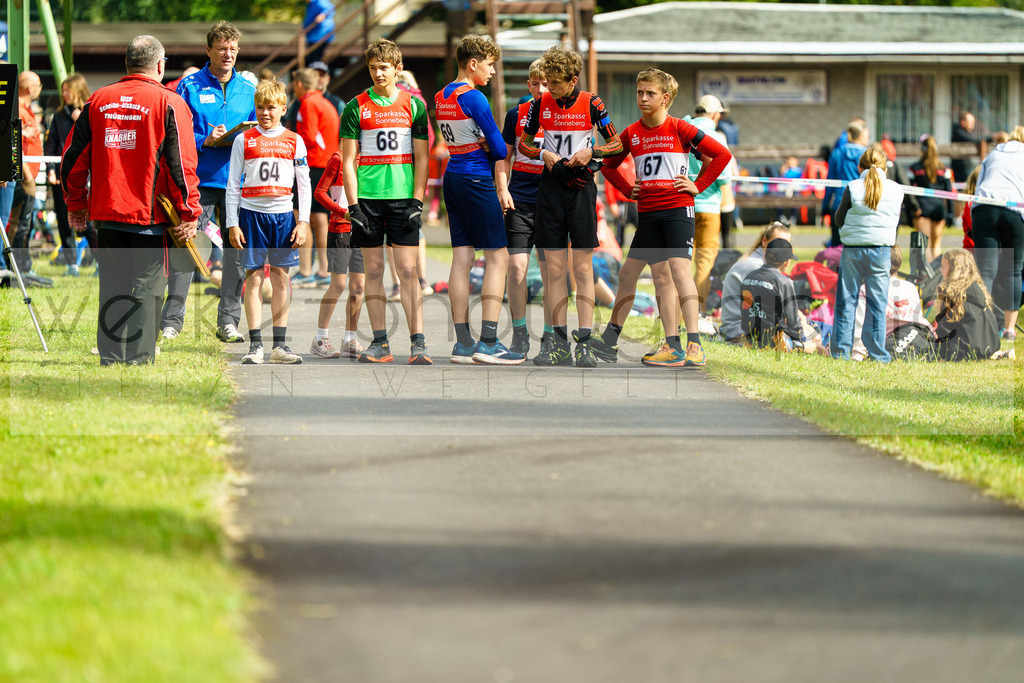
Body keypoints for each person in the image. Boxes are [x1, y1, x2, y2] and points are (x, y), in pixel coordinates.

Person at [62, 35, 201, 365]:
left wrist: (75, 204)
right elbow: (182, 164)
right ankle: (138, 361)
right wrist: (189, 212)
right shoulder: (170, 103)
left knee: (112, 286)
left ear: (127, 63)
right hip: (148, 217)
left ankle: (111, 358)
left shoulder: (98, 100)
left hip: (107, 213)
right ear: (159, 65)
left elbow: (72, 159)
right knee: (147, 290)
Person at [595, 68, 731, 367]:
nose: (643, 98)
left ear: (665, 98)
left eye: (650, 93)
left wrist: (698, 185)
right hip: (647, 214)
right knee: (649, 277)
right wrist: (627, 189)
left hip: (677, 211)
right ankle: (670, 345)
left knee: (680, 273)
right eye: (639, 92)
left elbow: (721, 155)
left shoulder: (680, 128)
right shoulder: (631, 132)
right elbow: (607, 166)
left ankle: (694, 344)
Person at [517, 44, 623, 367]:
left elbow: (616, 143)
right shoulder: (539, 104)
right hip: (550, 187)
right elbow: (524, 142)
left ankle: (585, 342)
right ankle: (558, 342)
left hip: (580, 188)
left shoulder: (592, 103)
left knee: (582, 268)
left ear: (573, 80)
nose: (548, 87)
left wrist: (593, 153)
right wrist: (542, 154)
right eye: (545, 81)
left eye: (555, 83)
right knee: (554, 270)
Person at [162, 22, 256, 343]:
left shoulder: (248, 89)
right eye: (221, 48)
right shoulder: (188, 86)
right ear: (208, 50)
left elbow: (258, 132)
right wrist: (205, 138)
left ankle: (228, 321)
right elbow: (174, 132)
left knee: (236, 254)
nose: (227, 54)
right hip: (199, 182)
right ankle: (172, 322)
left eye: (232, 49)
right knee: (188, 250)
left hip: (237, 183)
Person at [340, 38, 432, 364]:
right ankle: (380, 343)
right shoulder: (355, 106)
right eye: (373, 68)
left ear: (398, 69)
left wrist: (417, 200)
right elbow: (348, 160)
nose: (378, 73)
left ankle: (418, 343)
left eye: (384, 67)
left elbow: (423, 158)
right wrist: (353, 206)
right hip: (367, 199)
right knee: (374, 271)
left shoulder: (414, 105)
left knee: (408, 271)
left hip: (403, 200)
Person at [434, 36, 523, 364]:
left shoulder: (441, 94)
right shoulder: (475, 98)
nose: (493, 72)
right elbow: (501, 150)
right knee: (498, 257)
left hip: (452, 176)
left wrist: (481, 142)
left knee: (462, 258)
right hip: (475, 179)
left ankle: (462, 342)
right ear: (473, 63)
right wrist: (488, 143)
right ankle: (488, 341)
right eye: (489, 65)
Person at [225, 79, 310, 365]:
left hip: (284, 217)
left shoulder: (294, 140)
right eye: (260, 107)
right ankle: (255, 346)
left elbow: (304, 185)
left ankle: (280, 345)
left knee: (281, 279)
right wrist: (232, 222)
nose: (265, 113)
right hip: (251, 216)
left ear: (283, 109)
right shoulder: (243, 139)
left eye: (271, 107)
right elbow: (233, 185)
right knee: (254, 280)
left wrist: (304, 221)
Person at [829, 147, 903, 362]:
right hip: (881, 251)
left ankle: (841, 353)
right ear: (885, 168)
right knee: (877, 304)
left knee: (846, 302)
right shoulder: (896, 189)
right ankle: (877, 354)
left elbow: (838, 219)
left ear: (858, 167)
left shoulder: (852, 187)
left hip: (853, 250)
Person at [495, 58, 548, 356]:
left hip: (552, 203)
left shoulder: (564, 116)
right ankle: (519, 333)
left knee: (552, 270)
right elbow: (504, 157)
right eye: (536, 84)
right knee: (516, 267)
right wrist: (502, 189)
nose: (541, 89)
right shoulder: (516, 114)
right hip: (519, 200)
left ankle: (552, 336)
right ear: (528, 85)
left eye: (546, 84)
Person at [309, 148, 365, 359]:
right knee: (339, 284)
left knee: (358, 288)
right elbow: (320, 192)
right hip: (340, 229)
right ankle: (320, 338)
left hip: (364, 231)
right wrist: (342, 212)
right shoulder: (338, 158)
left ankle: (350, 338)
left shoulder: (374, 158)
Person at [971, 125, 1024, 341]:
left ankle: (981, 325)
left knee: (985, 270)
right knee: (1013, 270)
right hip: (1014, 210)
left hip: (984, 206)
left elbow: (978, 184)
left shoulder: (994, 153)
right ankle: (1009, 330)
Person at [288, 67, 339, 289]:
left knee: (303, 217)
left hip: (313, 164)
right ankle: (323, 270)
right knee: (320, 220)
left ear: (299, 84)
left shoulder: (308, 103)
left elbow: (308, 136)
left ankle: (307, 270)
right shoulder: (325, 102)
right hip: (327, 164)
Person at [44, 72, 97, 277]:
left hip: (88, 177)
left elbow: (97, 141)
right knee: (65, 223)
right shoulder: (58, 116)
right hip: (62, 177)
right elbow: (51, 145)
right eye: (63, 90)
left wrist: (82, 120)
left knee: (89, 224)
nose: (64, 94)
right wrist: (50, 169)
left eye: (68, 90)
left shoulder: (90, 111)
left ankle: (101, 263)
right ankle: (71, 264)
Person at [681, 94, 731, 311]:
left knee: (681, 262)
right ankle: (697, 312)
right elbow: (724, 177)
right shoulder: (717, 137)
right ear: (714, 114)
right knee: (704, 262)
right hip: (709, 207)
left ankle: (677, 313)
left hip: (682, 205)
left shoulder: (682, 130)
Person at [851, 245, 935, 361]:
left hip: (893, 344)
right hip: (923, 336)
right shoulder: (910, 287)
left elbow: (859, 328)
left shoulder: (866, 290)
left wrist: (857, 355)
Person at [718, 222, 791, 343]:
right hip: (739, 334)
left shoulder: (759, 263)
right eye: (776, 242)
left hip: (739, 329)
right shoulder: (756, 267)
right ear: (764, 241)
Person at [9, 70, 49, 284]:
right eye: (39, 85)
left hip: (30, 176)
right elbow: (16, 148)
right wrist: (28, 177)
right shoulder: (18, 110)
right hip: (25, 179)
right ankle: (17, 267)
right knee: (20, 223)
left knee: (27, 223)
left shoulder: (27, 110)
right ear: (29, 88)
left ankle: (24, 266)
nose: (41, 89)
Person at [932, 249, 1001, 360]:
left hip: (963, 350)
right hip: (989, 346)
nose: (941, 270)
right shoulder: (977, 290)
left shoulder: (951, 293)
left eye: (944, 267)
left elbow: (944, 329)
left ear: (954, 271)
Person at [740, 238, 804, 350]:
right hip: (774, 341)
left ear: (765, 256)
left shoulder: (748, 277)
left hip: (750, 338)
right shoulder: (784, 282)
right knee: (818, 340)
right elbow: (792, 321)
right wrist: (800, 338)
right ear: (786, 262)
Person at [822, 119, 870, 246]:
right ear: (861, 136)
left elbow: (830, 182)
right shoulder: (867, 154)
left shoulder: (837, 153)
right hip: (861, 203)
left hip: (839, 204)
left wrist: (825, 206)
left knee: (837, 246)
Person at [908, 134, 954, 265]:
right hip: (939, 208)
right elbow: (949, 193)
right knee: (936, 245)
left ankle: (926, 277)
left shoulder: (914, 168)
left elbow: (910, 191)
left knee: (925, 246)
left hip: (922, 208)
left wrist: (913, 209)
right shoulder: (944, 169)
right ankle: (937, 276)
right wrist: (950, 213)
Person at [303, 0, 335, 64]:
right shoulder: (311, 4)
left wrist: (323, 14)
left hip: (321, 35)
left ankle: (322, 73)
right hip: (313, 36)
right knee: (312, 58)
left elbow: (330, 8)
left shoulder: (320, 1)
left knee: (314, 58)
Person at [951, 111, 978, 186]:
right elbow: (970, 139)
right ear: (963, 123)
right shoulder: (957, 131)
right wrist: (986, 139)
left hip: (965, 167)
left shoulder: (963, 132)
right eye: (971, 124)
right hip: (959, 169)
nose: (972, 127)